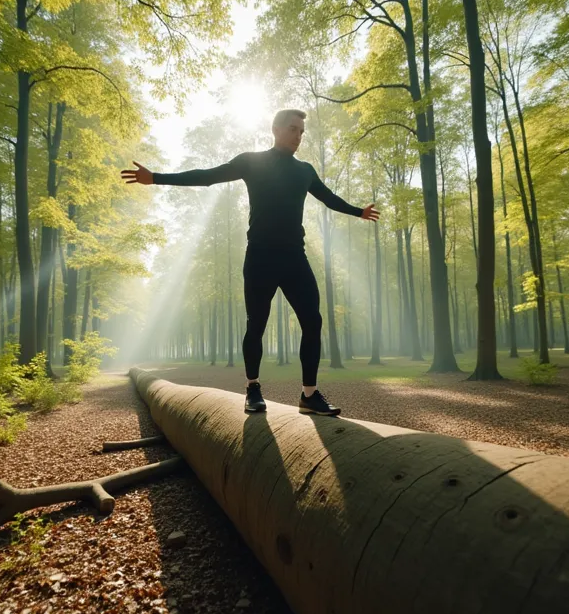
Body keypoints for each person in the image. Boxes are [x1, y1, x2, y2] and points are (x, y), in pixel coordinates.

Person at [122, 108, 379, 416]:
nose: (299, 136)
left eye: (302, 132)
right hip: (259, 256)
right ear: (276, 129)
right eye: (294, 129)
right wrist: (156, 179)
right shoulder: (251, 162)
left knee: (313, 321)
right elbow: (208, 177)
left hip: (295, 258)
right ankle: (252, 389)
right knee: (255, 324)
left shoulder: (305, 171)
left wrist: (358, 212)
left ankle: (309, 396)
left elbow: (329, 198)